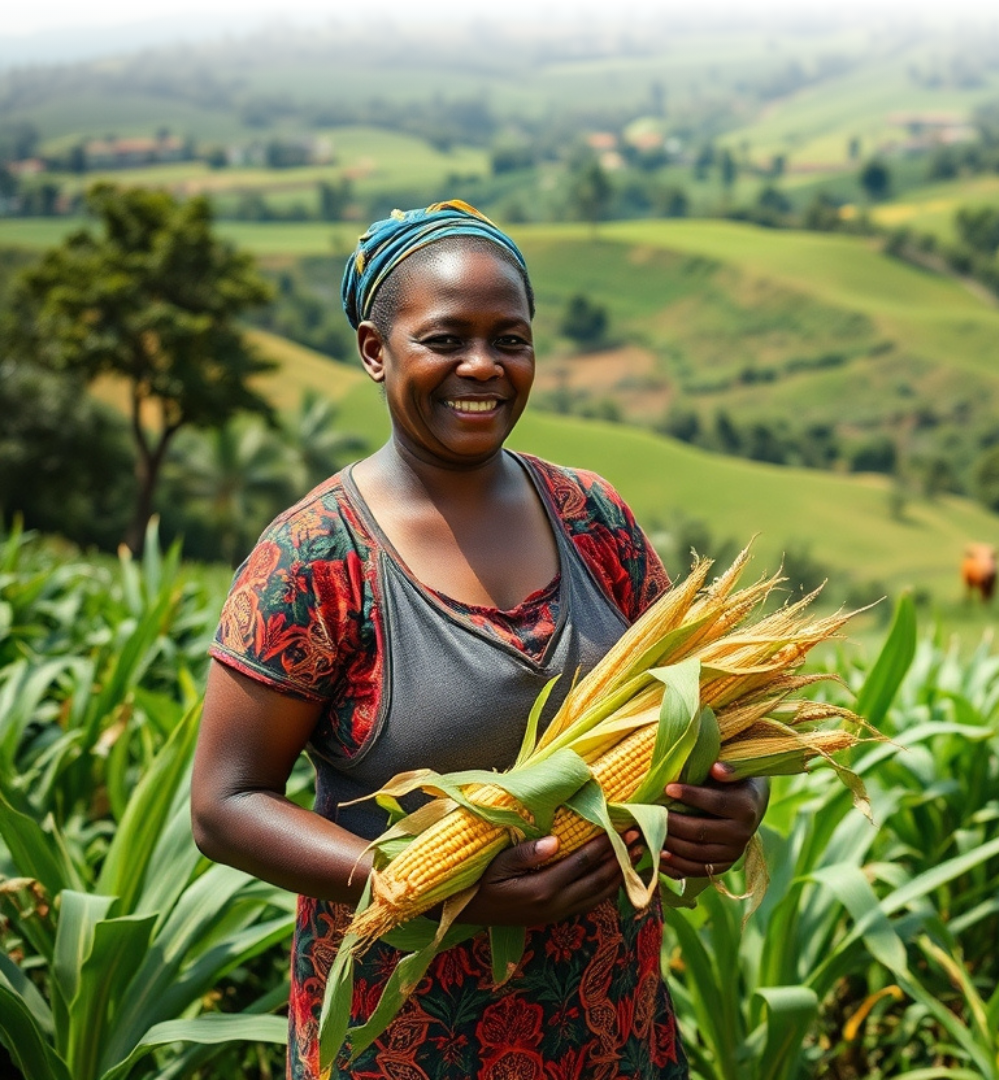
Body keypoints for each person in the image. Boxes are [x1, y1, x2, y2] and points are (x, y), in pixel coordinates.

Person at [191, 201, 767, 1079]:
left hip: (610, 1028)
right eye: (446, 337)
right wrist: (426, 882)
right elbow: (226, 805)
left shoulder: (592, 515)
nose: (483, 366)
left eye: (511, 339)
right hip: (405, 1040)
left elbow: (706, 706)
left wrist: (738, 802)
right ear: (374, 350)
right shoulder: (314, 558)